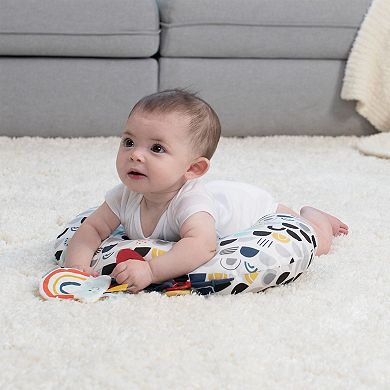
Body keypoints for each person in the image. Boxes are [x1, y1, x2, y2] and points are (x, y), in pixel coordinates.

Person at [64, 89, 348, 293]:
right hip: (225, 194)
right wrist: (76, 268)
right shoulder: (123, 194)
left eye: (157, 148)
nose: (135, 155)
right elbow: (92, 229)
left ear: (193, 169)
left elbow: (202, 246)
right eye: (128, 142)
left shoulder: (192, 203)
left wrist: (151, 270)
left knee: (318, 243)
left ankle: (315, 216)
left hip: (254, 209)